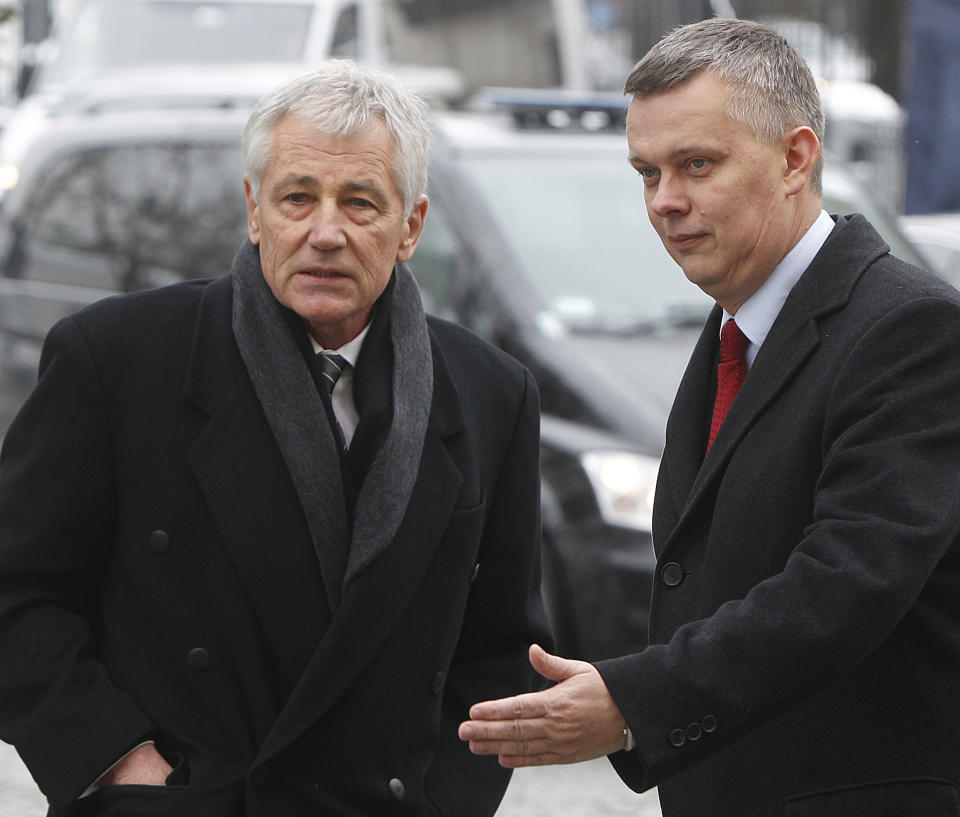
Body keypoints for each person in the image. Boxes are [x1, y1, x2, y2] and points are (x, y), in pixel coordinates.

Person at [0, 60, 551, 817]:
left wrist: (441, 801)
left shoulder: (494, 392)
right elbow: (18, 593)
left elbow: (500, 648)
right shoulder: (118, 360)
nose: (325, 232)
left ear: (411, 226)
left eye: (360, 202)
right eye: (298, 197)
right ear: (255, 210)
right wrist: (117, 762)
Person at [459, 17, 960, 817]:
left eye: (697, 164)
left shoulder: (910, 329)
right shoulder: (734, 327)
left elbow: (844, 584)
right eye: (647, 172)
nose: (665, 201)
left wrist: (632, 700)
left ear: (797, 158)